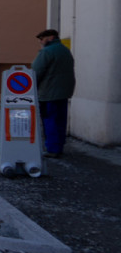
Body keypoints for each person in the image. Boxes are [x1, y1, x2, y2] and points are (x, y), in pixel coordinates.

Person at [33, 28, 75, 158]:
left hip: (48, 92)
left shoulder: (47, 52)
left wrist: (32, 88)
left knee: (49, 120)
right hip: (64, 91)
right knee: (60, 120)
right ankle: (59, 146)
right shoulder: (65, 50)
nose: (41, 42)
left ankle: (52, 149)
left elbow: (36, 72)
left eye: (42, 39)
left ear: (50, 37)